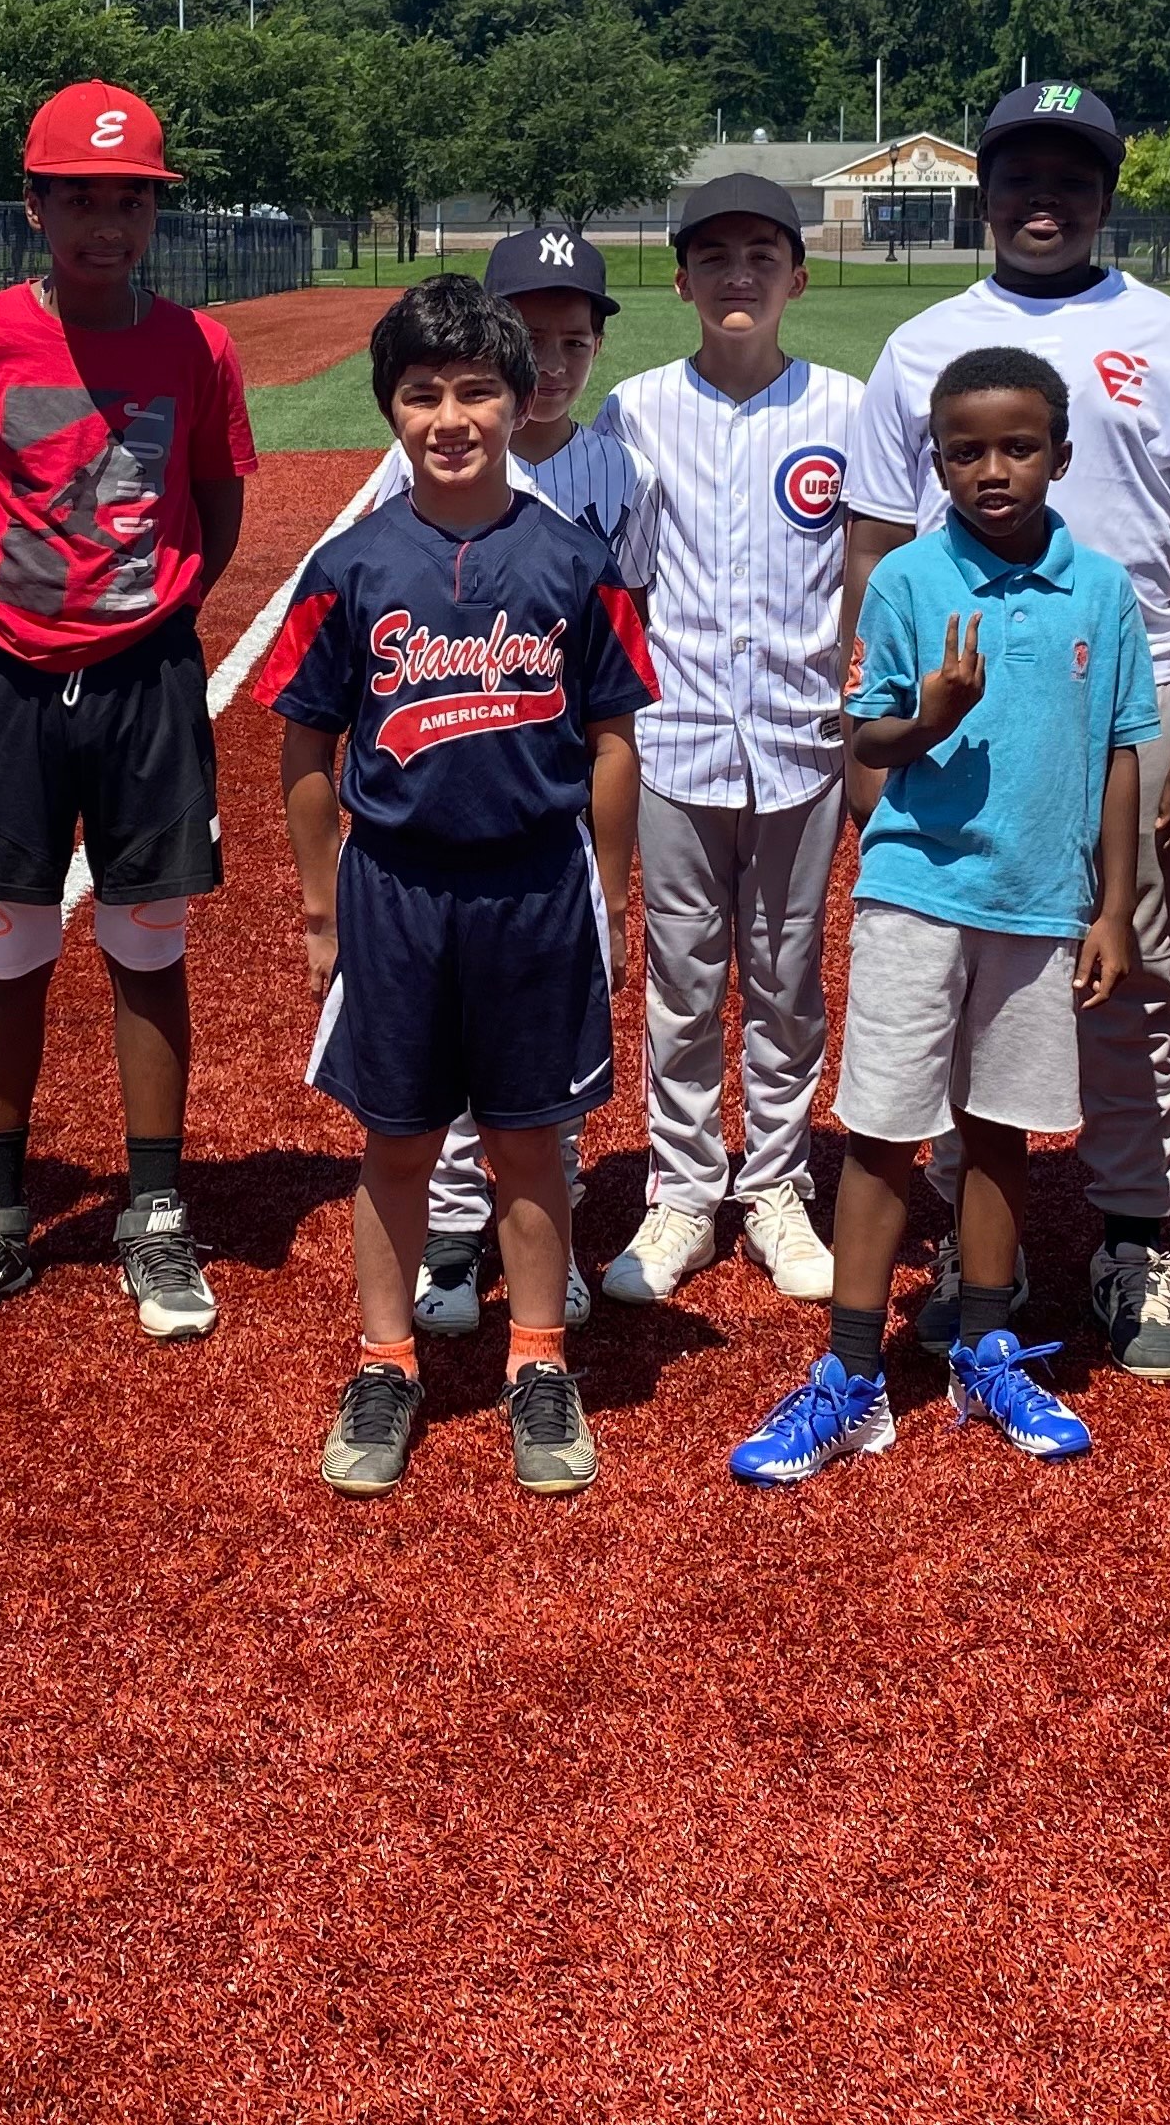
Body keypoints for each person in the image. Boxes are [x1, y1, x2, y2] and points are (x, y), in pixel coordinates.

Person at [844, 83, 1170, 1375]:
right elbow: (872, 534)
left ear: (1105, 192)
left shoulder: (1169, 337)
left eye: (1071, 177)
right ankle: (990, 1243)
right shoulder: (926, 343)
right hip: (958, 709)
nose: (1043, 198)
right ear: (985, 189)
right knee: (969, 974)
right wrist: (897, 722)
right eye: (1019, 173)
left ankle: (1135, 1231)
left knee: (1126, 975)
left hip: (1123, 696)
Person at [731, 349, 1155, 1487]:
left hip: (1040, 902)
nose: (994, 470)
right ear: (936, 464)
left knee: (1001, 1130)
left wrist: (1112, 909)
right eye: (966, 452)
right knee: (880, 1131)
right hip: (918, 889)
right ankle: (853, 1373)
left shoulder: (1102, 592)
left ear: (1062, 455)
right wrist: (929, 717)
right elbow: (862, 742)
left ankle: (983, 1346)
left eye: (1019, 447)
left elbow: (1121, 757)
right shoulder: (911, 583)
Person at [265, 277, 656, 1497]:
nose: (449, 416)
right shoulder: (349, 565)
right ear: (389, 406)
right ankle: (387, 1363)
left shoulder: (574, 562)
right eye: (421, 393)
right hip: (397, 895)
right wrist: (324, 910)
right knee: (395, 1146)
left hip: (536, 891)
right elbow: (304, 750)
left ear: (520, 396)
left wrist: (609, 892)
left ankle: (538, 1361)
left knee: (534, 1147)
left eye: (475, 389)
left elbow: (612, 741)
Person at [0, 81, 254, 1341]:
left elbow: (215, 514)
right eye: (81, 199)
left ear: (152, 212)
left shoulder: (197, 348)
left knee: (147, 941)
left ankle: (155, 1211)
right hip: (6, 676)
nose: (106, 225)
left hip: (144, 678)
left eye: (129, 202)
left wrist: (139, 617)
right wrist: (27, 613)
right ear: (36, 205)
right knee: (7, 948)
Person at [357, 221, 661, 1340]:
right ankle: (449, 1233)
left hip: (548, 803)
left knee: (538, 1077)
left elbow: (626, 649)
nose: (546, 362)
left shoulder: (611, 479)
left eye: (564, 343)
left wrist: (613, 876)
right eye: (524, 339)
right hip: (428, 817)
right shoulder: (419, 473)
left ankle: (549, 1241)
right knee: (424, 1081)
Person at [589, 174, 859, 1308]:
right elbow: (622, 585)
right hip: (680, 736)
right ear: (681, 278)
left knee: (790, 979)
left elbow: (876, 572)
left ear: (797, 275)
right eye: (713, 256)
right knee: (684, 978)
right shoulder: (635, 409)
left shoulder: (848, 408)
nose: (737, 273)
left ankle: (780, 1186)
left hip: (803, 742)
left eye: (761, 253)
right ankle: (686, 1189)